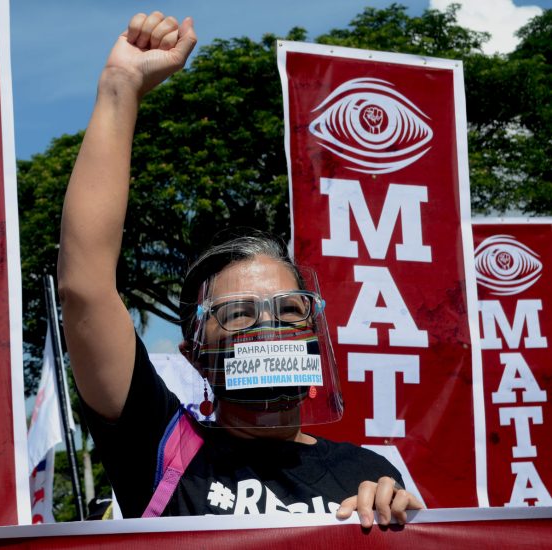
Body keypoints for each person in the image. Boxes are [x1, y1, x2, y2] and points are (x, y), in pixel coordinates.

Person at [57, 11, 423, 527]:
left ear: (315, 333)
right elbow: (86, 287)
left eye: (289, 309)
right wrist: (121, 87)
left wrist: (400, 521)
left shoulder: (369, 471)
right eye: (238, 314)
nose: (268, 327)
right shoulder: (163, 448)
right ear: (194, 353)